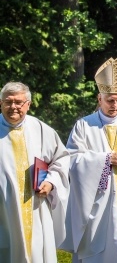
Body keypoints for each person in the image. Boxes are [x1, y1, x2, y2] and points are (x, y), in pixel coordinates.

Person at [62, 58, 117, 262]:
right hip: (97, 201)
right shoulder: (84, 125)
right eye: (110, 100)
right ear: (100, 98)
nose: (115, 105)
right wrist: (106, 159)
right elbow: (71, 159)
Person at [0, 81, 69, 262]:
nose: (13, 107)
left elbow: (61, 159)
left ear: (28, 104)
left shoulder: (41, 129)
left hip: (35, 207)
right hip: (3, 211)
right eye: (8, 102)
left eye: (19, 102)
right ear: (0, 103)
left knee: (37, 252)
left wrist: (51, 182)